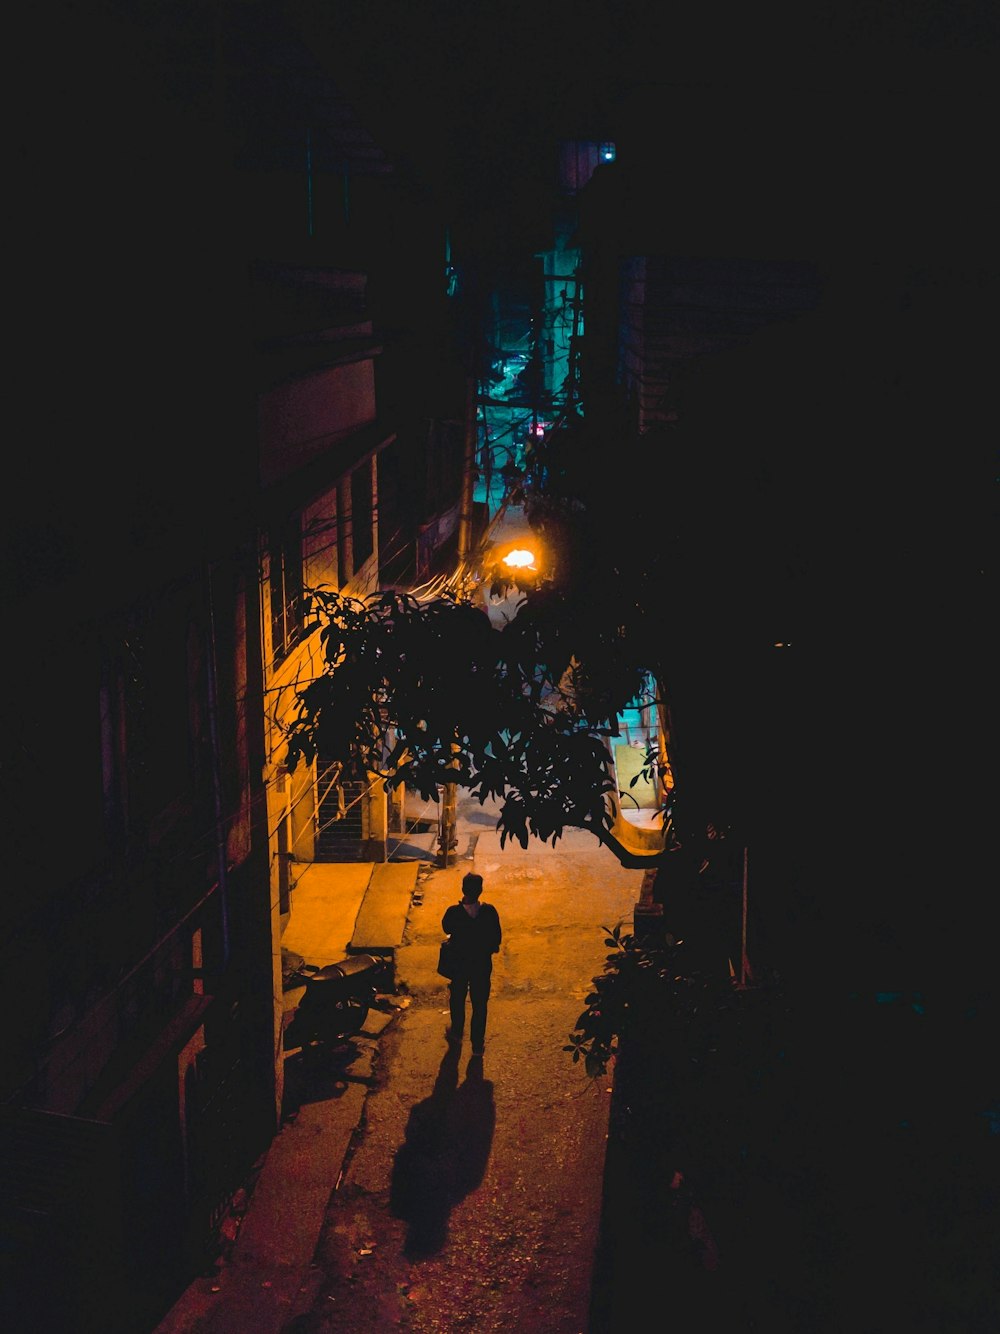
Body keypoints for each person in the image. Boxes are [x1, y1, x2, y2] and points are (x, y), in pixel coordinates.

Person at [442, 872, 501, 1054]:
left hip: (459, 964)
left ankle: (457, 1032)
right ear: (481, 890)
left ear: (463, 889)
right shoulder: (489, 912)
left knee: (458, 998)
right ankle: (477, 1043)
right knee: (480, 1003)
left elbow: (446, 927)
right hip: (481, 965)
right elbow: (496, 938)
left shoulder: (453, 913)